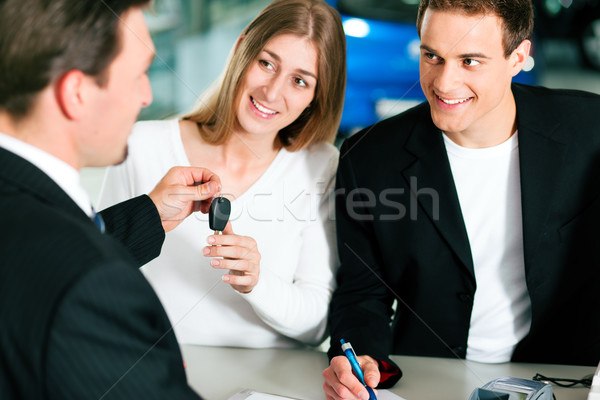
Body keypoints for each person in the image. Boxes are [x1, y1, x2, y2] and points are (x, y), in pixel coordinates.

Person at [323, 0, 600, 398]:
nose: (444, 83)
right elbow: (362, 294)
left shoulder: (589, 132)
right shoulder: (368, 158)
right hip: (429, 378)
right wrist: (359, 358)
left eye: (470, 61)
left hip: (564, 376)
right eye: (432, 56)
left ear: (518, 57)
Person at [0, 0, 221, 398]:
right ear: (77, 93)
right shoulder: (94, 285)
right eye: (139, 75)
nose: (147, 96)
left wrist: (150, 214)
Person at [98, 0, 346, 348]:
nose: (272, 92)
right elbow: (94, 275)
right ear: (240, 48)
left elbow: (317, 326)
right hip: (157, 371)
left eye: (300, 81)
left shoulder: (322, 164)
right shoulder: (140, 146)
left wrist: (257, 283)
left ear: (317, 97)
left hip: (269, 383)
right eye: (266, 63)